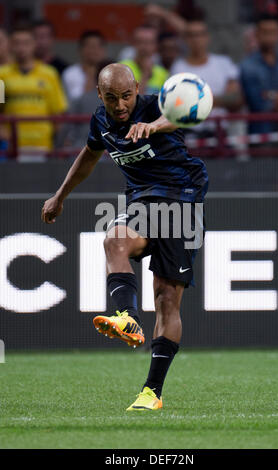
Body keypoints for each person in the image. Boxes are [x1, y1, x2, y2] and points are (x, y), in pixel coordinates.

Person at [41, 63, 208, 411]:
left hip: (182, 199)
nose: (121, 106)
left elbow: (188, 114)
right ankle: (127, 317)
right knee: (114, 240)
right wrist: (59, 196)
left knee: (166, 300)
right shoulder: (100, 121)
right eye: (112, 98)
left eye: (127, 96)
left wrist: (155, 124)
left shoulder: (154, 105)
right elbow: (89, 155)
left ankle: (152, 393)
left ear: (137, 88)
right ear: (99, 95)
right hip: (144, 199)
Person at [0, 25, 67, 159]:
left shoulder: (49, 74)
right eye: (16, 43)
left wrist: (59, 144)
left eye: (26, 43)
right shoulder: (2, 75)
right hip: (12, 147)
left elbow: (57, 112)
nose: (21, 48)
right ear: (10, 46)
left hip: (43, 145)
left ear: (34, 45)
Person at [240, 14, 278, 135]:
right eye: (265, 32)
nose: (269, 36)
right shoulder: (248, 66)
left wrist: (270, 95)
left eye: (273, 32)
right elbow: (258, 103)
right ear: (257, 34)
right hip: (260, 133)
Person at [120, 25, 168, 95]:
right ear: (133, 44)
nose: (144, 47)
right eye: (140, 42)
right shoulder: (122, 69)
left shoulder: (162, 73)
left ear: (156, 46)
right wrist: (145, 75)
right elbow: (130, 102)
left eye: (149, 42)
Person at [62, 30, 107, 102]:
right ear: (80, 49)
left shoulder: (111, 74)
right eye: (90, 46)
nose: (94, 50)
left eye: (97, 46)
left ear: (104, 50)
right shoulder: (70, 73)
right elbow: (71, 103)